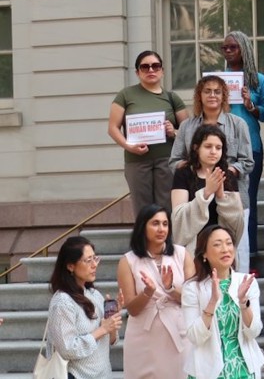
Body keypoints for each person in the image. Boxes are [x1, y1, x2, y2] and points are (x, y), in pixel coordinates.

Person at [169, 75, 253, 271]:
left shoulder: (238, 124)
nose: (212, 95)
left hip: (233, 193)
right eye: (207, 91)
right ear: (199, 95)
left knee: (236, 249)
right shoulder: (187, 126)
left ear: (224, 95)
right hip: (193, 191)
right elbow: (174, 161)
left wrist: (225, 174)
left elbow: (248, 161)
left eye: (217, 91)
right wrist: (196, 167)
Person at [117, 204, 195, 378]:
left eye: (165, 224)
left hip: (178, 331)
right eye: (155, 223)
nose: (161, 229)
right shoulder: (127, 261)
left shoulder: (182, 254)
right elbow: (132, 309)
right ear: (142, 227)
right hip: (143, 336)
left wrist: (170, 289)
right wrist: (147, 293)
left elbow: (194, 299)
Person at [108, 50, 189, 215]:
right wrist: (128, 146)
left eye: (155, 66)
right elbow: (112, 128)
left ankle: (167, 241)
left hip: (167, 160)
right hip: (137, 162)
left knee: (167, 209)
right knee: (142, 211)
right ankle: (143, 242)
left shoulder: (172, 98)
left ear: (162, 70)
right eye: (145, 67)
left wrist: (173, 131)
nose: (151, 70)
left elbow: (188, 132)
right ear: (137, 72)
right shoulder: (126, 95)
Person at [182, 225, 264, 378]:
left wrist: (243, 303)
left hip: (243, 369)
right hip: (207, 371)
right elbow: (195, 337)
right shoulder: (192, 288)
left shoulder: (246, 282)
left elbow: (254, 332)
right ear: (204, 253)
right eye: (217, 244)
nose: (225, 249)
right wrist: (212, 302)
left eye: (228, 243)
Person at [222, 30, 264, 267]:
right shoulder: (217, 79)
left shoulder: (258, 80)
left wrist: (251, 105)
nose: (229, 51)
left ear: (244, 49)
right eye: (225, 48)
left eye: (233, 47)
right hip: (221, 148)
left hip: (251, 147)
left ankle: (249, 257)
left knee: (247, 200)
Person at [47, 236, 123, 379]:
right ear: (70, 266)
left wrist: (112, 319)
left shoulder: (94, 294)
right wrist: (102, 329)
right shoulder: (63, 302)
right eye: (88, 260)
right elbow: (67, 349)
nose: (94, 265)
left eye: (95, 259)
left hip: (103, 374)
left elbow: (111, 341)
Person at [171, 124, 245, 252]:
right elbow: (178, 219)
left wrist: (222, 197)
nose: (213, 152)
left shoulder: (228, 176)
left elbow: (237, 223)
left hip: (220, 247)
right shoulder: (183, 174)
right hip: (193, 247)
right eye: (208, 146)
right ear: (196, 147)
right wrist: (206, 193)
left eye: (218, 148)